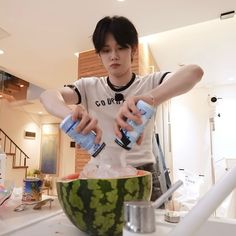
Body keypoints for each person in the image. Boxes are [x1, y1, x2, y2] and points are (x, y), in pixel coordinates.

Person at [40, 16, 203, 201]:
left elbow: (195, 72)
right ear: (99, 54)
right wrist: (70, 115)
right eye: (106, 50)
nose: (114, 56)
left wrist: (150, 99)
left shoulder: (150, 83)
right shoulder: (88, 87)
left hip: (142, 171)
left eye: (121, 48)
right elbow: (48, 96)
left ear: (132, 49)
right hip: (101, 172)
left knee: (147, 230)